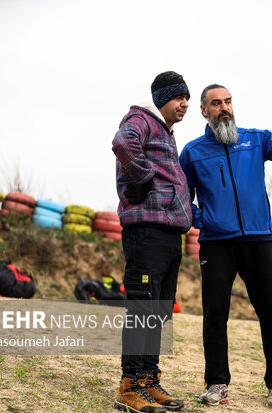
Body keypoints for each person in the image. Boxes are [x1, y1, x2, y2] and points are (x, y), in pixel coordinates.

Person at [179, 84, 272, 409]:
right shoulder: (192, 152)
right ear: (204, 110)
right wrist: (206, 219)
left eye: (228, 101)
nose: (224, 108)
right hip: (216, 244)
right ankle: (217, 383)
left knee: (271, 313)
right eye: (216, 103)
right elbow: (182, 198)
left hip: (259, 239)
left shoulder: (256, 139)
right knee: (215, 313)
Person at [111, 71, 192, 413]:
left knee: (158, 312)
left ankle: (148, 380)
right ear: (162, 99)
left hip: (169, 234)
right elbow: (122, 142)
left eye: (187, 98)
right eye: (179, 98)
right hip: (147, 232)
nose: (185, 104)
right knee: (143, 309)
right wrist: (143, 178)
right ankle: (129, 386)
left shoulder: (165, 132)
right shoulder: (140, 119)